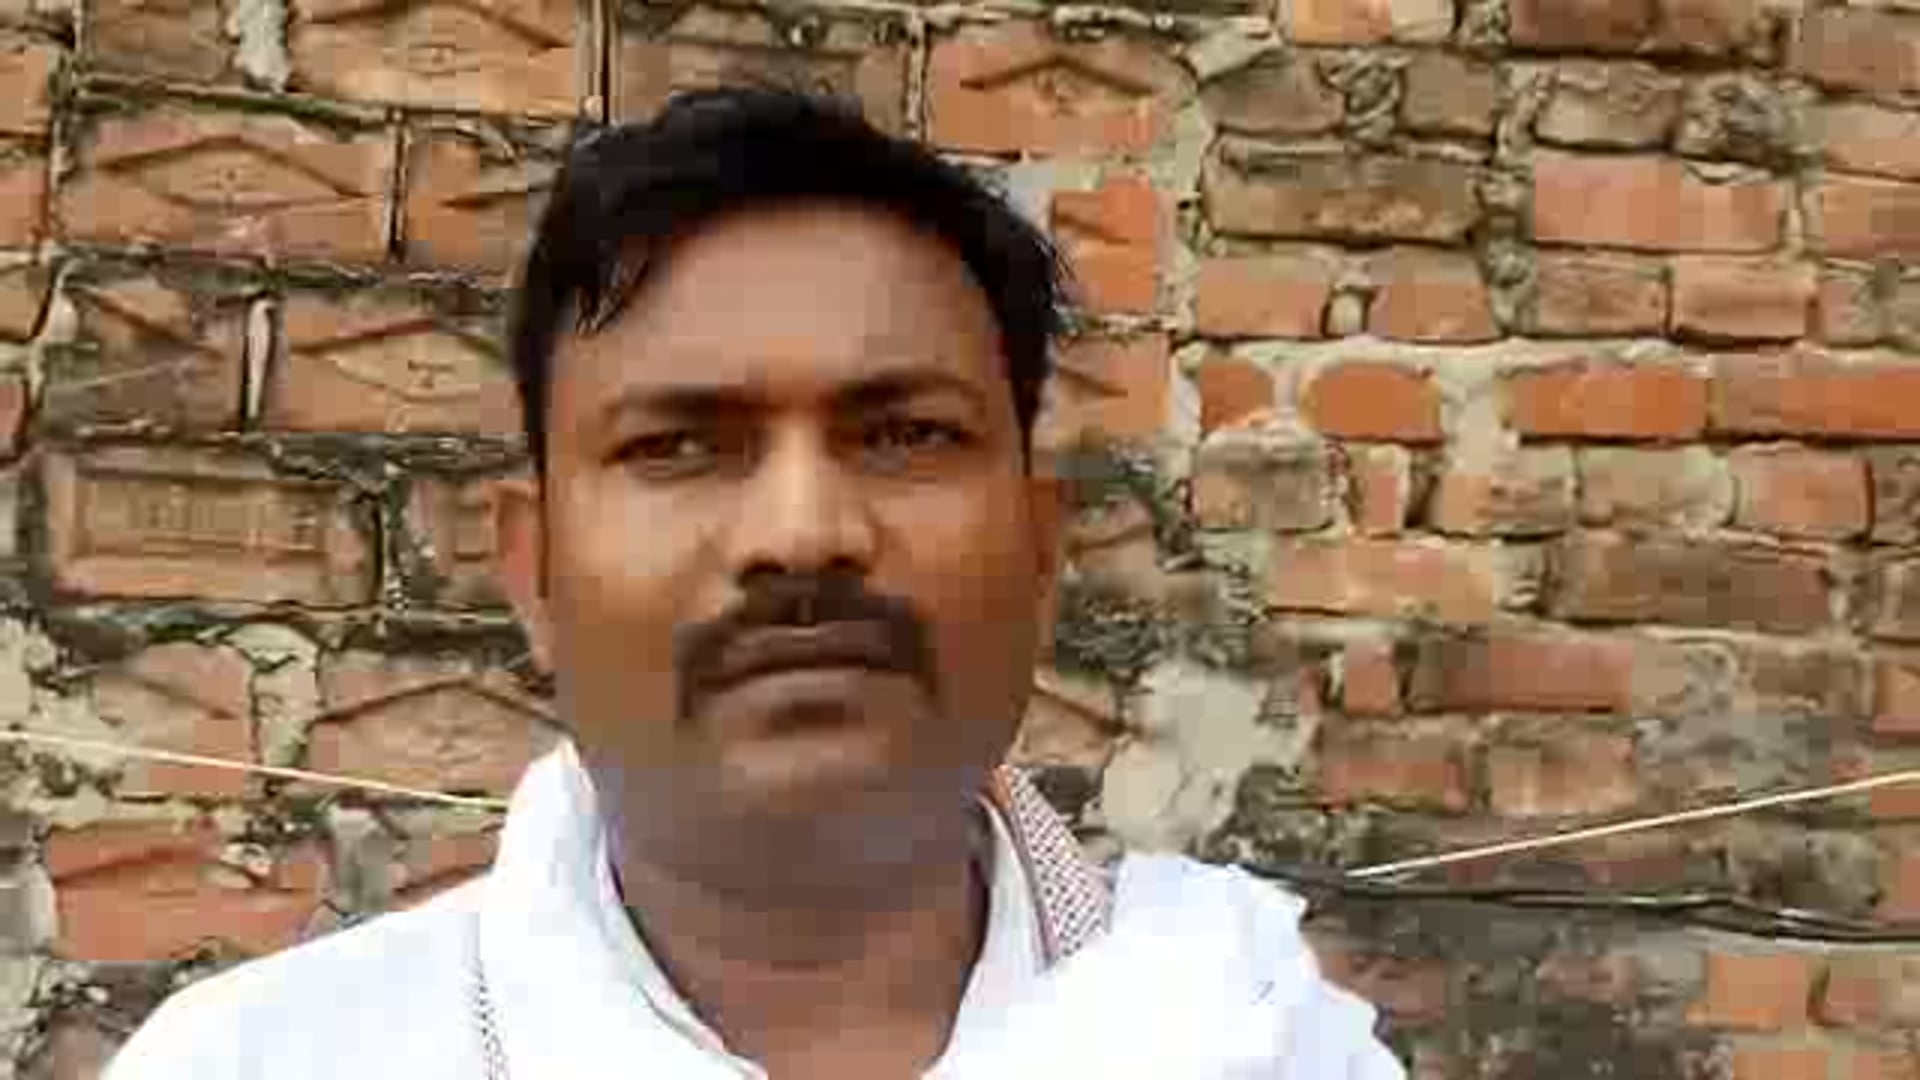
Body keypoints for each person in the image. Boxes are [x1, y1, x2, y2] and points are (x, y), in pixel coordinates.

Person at [104, 87, 1406, 1079]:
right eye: (679, 446)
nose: (803, 533)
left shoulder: (1259, 1042)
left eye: (906, 435)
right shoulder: (262, 1062)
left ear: (1040, 553)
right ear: (534, 571)